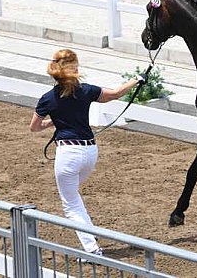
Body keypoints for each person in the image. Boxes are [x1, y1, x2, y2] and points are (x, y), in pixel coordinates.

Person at [29, 48, 145, 257]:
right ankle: (90, 234)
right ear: (75, 68)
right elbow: (116, 94)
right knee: (74, 197)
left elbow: (34, 127)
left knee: (71, 204)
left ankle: (92, 249)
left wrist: (52, 122)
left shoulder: (48, 98)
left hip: (68, 154)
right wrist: (136, 80)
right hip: (90, 152)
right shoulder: (86, 90)